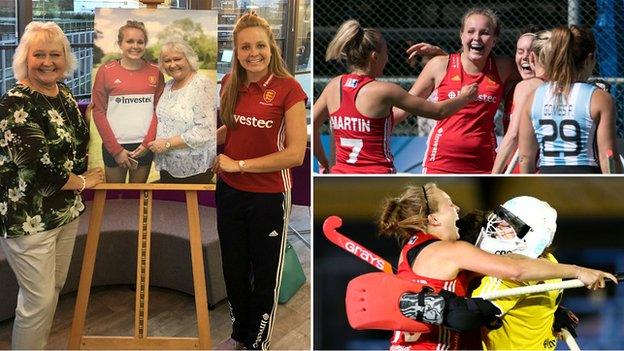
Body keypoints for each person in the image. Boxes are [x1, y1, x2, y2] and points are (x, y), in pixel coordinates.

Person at [378, 183, 616, 350]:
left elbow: (524, 275)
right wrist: (578, 271)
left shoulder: (410, 250)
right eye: (450, 205)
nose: (458, 210)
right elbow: (516, 270)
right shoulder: (454, 252)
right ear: (434, 219)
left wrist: (548, 312)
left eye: (507, 225)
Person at [0, 21, 104, 349]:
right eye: (39, 54)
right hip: (28, 217)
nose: (48, 62)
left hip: (65, 212)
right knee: (38, 302)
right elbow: (35, 163)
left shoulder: (65, 93)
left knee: (53, 291)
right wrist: (83, 181)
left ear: (66, 58)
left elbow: (80, 141)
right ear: (24, 58)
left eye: (55, 54)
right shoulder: (16, 101)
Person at [211, 12, 307, 350]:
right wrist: (203, 141)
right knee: (234, 269)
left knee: (264, 275)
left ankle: (257, 343)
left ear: (272, 48)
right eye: (245, 47)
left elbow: (295, 154)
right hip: (229, 191)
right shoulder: (229, 84)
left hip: (269, 196)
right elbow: (234, 128)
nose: (254, 53)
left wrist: (238, 164)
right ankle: (239, 334)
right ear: (236, 52)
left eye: (260, 46)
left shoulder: (289, 89)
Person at [313, 20, 477, 174]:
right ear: (375, 57)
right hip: (377, 176)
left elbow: (312, 123)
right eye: (386, 52)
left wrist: (325, 162)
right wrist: (464, 97)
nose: (388, 58)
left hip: (340, 177)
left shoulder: (334, 86)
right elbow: (438, 112)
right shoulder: (385, 91)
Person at [394, 8, 519, 174]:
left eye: (484, 33)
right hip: (441, 163)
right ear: (461, 35)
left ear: (495, 40)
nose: (476, 37)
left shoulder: (503, 67)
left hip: (484, 164)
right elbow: (403, 109)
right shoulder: (439, 65)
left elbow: (536, 75)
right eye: (471, 31)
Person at [470, 196, 575, 350]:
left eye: (510, 225)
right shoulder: (550, 261)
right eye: (501, 219)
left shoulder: (509, 275)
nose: (497, 226)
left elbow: (469, 314)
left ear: (533, 237)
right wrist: (552, 312)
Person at [518, 26, 622, 174]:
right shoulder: (599, 98)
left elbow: (524, 157)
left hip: (547, 180)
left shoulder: (534, 97)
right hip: (587, 182)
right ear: (590, 58)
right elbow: (608, 156)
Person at [92, 20, 165, 183]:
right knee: (114, 198)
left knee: (136, 197)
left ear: (145, 44)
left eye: (140, 42)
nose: (135, 46)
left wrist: (147, 145)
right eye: (130, 41)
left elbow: (159, 111)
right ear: (120, 44)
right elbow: (98, 111)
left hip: (143, 147)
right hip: (114, 146)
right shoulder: (106, 71)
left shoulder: (156, 72)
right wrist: (116, 150)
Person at [148, 40, 216, 183]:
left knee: (184, 205)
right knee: (169, 204)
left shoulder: (202, 85)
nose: (172, 64)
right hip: (167, 165)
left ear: (189, 59)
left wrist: (167, 143)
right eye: (167, 61)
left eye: (177, 59)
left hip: (193, 168)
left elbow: (204, 131)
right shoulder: (167, 86)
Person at [492, 30, 551, 173]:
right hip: (521, 169)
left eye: (530, 52)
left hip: (527, 170)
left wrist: (493, 177)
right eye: (520, 51)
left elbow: (513, 135)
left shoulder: (529, 87)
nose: (524, 56)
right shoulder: (511, 89)